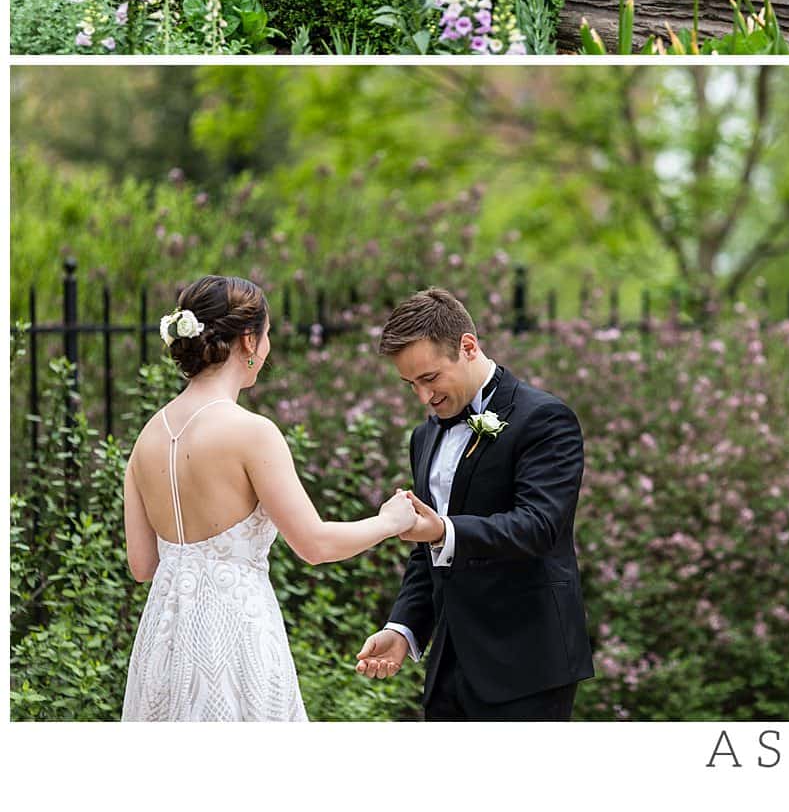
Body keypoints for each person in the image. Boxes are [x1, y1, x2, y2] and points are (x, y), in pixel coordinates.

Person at [122, 275, 419, 721]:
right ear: (248, 341)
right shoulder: (251, 432)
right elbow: (315, 544)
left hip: (162, 643)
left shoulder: (146, 439)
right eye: (268, 334)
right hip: (235, 638)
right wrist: (390, 521)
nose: (268, 347)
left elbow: (143, 566)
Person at [354, 287, 595, 720]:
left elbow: (539, 526)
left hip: (527, 662)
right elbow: (428, 550)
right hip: (448, 663)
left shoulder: (544, 419)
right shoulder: (424, 436)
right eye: (411, 385)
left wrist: (442, 530)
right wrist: (404, 628)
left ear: (468, 346)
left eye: (430, 378)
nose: (423, 398)